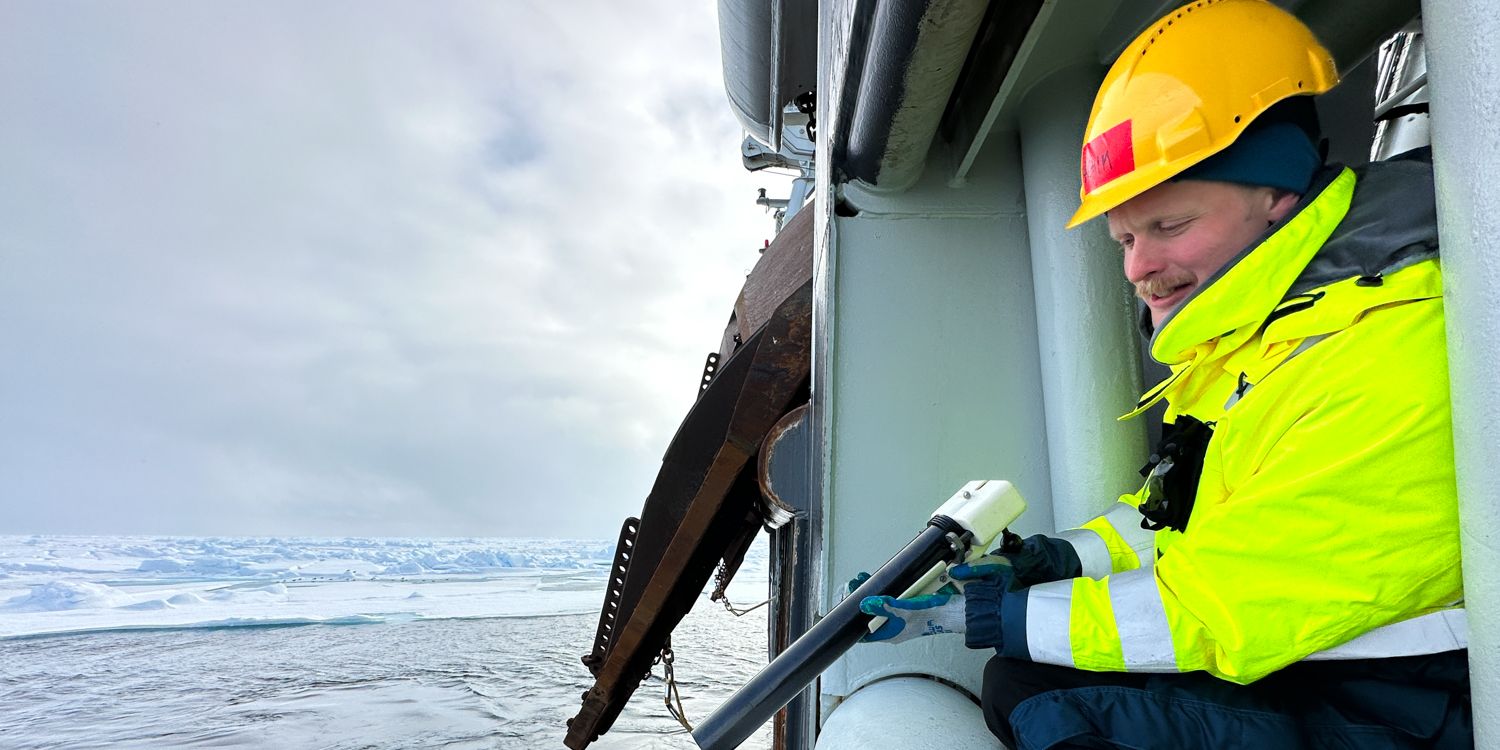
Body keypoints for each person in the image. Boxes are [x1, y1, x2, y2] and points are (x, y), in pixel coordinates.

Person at [857, 1, 1471, 747]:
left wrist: (999, 617)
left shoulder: (1385, 345)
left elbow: (1225, 607)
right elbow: (1178, 518)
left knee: (1050, 699)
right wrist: (1048, 561)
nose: (1139, 268)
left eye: (1169, 226)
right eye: (1123, 240)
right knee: (1028, 681)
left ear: (1278, 196)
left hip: (1404, 705)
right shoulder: (1264, 332)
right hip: (1322, 664)